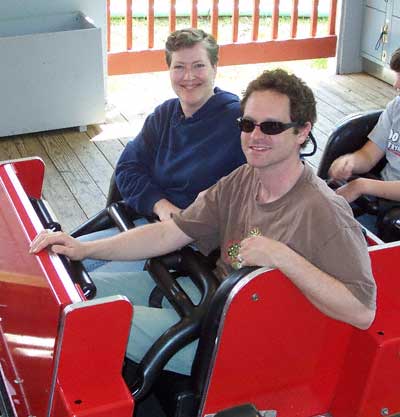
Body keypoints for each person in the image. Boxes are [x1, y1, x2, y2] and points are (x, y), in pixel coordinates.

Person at [30, 69, 376, 377]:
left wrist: (283, 256)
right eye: (247, 124)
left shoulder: (324, 212)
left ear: (302, 132)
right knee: (69, 294)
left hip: (241, 338)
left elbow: (362, 311)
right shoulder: (242, 179)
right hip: (204, 296)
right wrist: (83, 247)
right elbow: (171, 231)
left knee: (84, 322)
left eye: (271, 126)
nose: (255, 136)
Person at [81, 28, 245, 272]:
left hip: (189, 250)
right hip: (142, 224)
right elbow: (127, 168)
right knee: (63, 262)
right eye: (179, 67)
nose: (188, 76)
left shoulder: (240, 121)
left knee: (82, 280)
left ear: (214, 67)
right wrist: (160, 205)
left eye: (198, 65)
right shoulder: (164, 115)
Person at [328, 47, 400, 238]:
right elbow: (369, 155)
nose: (396, 85)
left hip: (389, 205)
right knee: (324, 195)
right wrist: (350, 162)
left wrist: (362, 185)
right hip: (381, 191)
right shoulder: (396, 107)